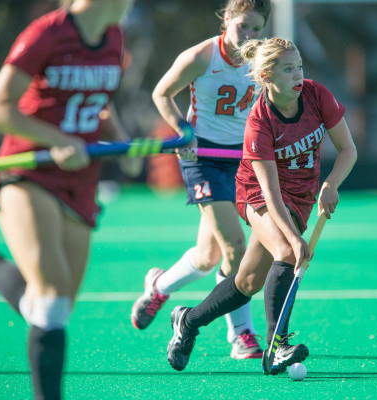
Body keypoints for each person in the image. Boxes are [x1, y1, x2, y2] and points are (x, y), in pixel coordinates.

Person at [0, 0, 143, 398]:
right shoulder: (45, 34)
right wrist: (59, 140)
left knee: (53, 305)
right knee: (51, 301)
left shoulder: (114, 38)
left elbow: (98, 103)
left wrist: (123, 144)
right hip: (28, 172)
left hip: (80, 183)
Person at [165, 37, 357, 374]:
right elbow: (269, 192)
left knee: (248, 282)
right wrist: (296, 239)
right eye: (287, 69)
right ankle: (277, 346)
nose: (298, 74)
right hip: (257, 194)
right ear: (267, 76)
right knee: (286, 250)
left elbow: (348, 150)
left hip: (302, 196)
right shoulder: (259, 122)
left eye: (298, 66)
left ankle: (188, 321)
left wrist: (330, 184)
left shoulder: (317, 95)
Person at [130, 0, 271, 360]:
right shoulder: (201, 56)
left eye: (257, 29)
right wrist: (183, 131)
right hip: (203, 159)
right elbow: (161, 93)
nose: (250, 36)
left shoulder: (262, 59)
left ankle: (158, 286)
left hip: (239, 160)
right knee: (236, 248)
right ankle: (241, 334)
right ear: (227, 19)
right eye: (244, 27)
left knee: (210, 256)